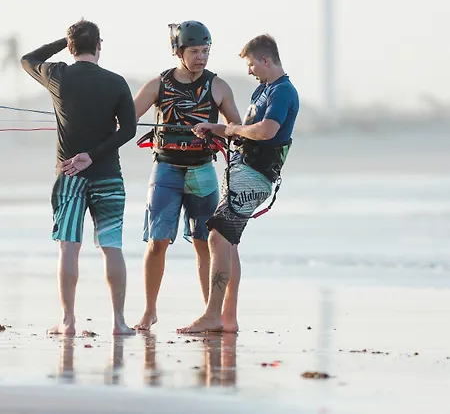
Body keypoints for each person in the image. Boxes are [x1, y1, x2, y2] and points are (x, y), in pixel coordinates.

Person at [21, 19, 137, 335]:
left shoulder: (57, 74)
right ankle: (119, 322)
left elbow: (28, 59)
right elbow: (128, 130)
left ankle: (68, 321)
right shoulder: (116, 82)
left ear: (71, 47)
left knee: (69, 247)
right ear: (99, 45)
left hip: (69, 176)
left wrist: (65, 41)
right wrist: (93, 156)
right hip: (108, 175)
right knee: (111, 246)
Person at [178, 34, 299, 333]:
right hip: (241, 171)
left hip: (255, 176)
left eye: (251, 64)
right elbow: (245, 130)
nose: (249, 71)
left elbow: (266, 131)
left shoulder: (282, 91)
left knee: (217, 237)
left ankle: (213, 315)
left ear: (266, 60)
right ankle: (228, 319)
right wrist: (216, 128)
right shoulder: (263, 90)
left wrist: (232, 129)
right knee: (228, 243)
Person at [133, 21, 242, 332]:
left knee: (205, 243)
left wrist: (222, 131)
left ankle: (211, 312)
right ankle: (149, 311)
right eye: (194, 51)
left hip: (203, 170)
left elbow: (236, 130)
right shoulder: (158, 84)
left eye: (205, 51)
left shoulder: (218, 87)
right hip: (165, 169)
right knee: (157, 242)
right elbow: (127, 118)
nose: (201, 57)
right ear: (178, 51)